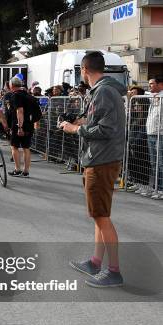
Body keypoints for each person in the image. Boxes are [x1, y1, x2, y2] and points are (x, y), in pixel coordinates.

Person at [61, 51, 126, 288]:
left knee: (102, 217)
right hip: (99, 159)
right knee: (99, 216)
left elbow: (106, 129)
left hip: (101, 160)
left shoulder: (104, 91)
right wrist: (79, 123)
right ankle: (96, 262)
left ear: (83, 69)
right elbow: (100, 123)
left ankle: (114, 271)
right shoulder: (104, 90)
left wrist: (75, 129)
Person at [7, 76, 36, 177]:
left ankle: (17, 169)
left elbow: (20, 111)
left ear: (12, 85)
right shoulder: (27, 95)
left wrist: (20, 127)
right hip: (29, 124)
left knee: (14, 147)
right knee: (26, 148)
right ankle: (26, 171)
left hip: (19, 124)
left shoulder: (16, 96)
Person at [126, 86, 151, 193]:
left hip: (140, 145)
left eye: (138, 106)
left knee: (142, 163)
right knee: (133, 162)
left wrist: (134, 143)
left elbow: (142, 133)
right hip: (132, 143)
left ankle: (144, 185)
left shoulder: (145, 116)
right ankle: (137, 183)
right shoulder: (136, 115)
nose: (136, 108)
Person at [145, 76, 163, 199]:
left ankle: (161, 189)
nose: (149, 86)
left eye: (152, 84)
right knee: (153, 163)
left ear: (160, 84)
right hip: (150, 132)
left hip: (160, 134)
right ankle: (155, 187)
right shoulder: (152, 96)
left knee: (160, 163)